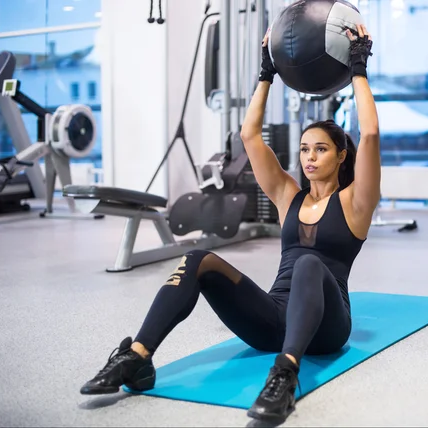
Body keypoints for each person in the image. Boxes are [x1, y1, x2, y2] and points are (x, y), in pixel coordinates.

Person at [79, 24, 380, 425]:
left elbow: (372, 133)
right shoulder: (289, 196)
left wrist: (357, 66)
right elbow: (250, 134)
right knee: (198, 258)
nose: (309, 158)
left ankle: (285, 375)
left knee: (309, 262)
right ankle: (137, 358)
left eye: (321, 149)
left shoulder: (355, 203)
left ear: (342, 156)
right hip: (272, 318)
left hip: (327, 328)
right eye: (305, 149)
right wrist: (265, 72)